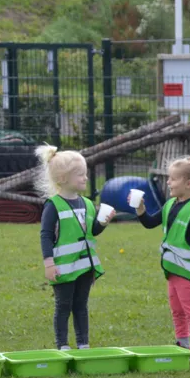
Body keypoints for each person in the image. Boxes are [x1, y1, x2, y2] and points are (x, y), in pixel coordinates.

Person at [133, 156, 190, 359]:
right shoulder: (169, 204)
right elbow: (150, 223)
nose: (168, 182)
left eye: (173, 179)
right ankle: (182, 342)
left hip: (189, 273)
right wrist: (141, 210)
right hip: (173, 272)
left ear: (188, 184)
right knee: (176, 310)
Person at [37, 145, 114, 350]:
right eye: (80, 174)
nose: (85, 178)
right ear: (62, 179)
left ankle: (83, 344)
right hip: (63, 267)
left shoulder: (88, 204)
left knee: (81, 306)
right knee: (63, 306)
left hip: (85, 267)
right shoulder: (53, 205)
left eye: (85, 174)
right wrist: (49, 264)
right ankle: (62, 344)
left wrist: (103, 223)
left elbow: (92, 231)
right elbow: (45, 236)